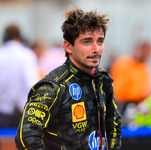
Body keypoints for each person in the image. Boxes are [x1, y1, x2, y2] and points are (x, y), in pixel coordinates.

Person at [15, 7, 122, 150]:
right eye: (87, 42)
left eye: (100, 41)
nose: (96, 48)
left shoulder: (102, 80)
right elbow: (26, 136)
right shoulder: (53, 86)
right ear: (68, 46)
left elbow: (114, 125)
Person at [0, 24, 39, 127]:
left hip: (2, 112)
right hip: (23, 112)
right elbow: (32, 83)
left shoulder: (1, 54)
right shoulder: (27, 55)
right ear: (21, 38)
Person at [109, 41, 151, 119]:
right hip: (122, 105)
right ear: (138, 50)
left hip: (139, 104)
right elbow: (118, 90)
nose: (147, 56)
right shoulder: (123, 64)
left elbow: (146, 86)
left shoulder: (144, 68)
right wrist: (141, 94)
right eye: (145, 52)